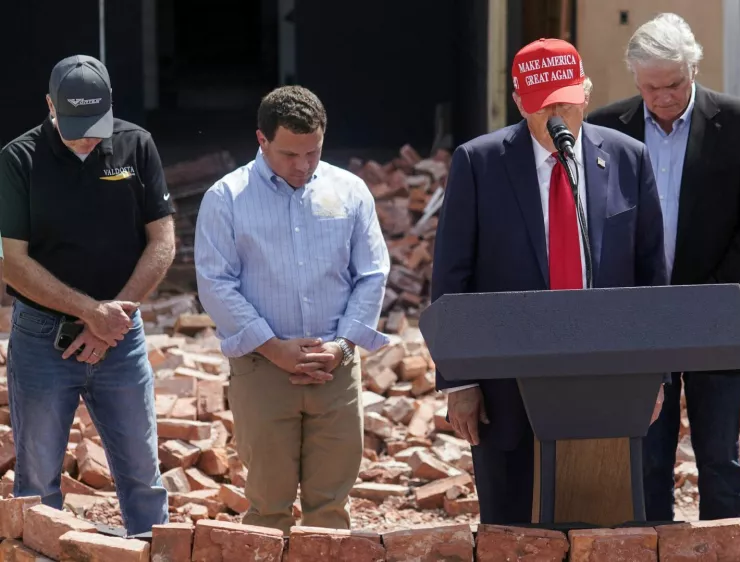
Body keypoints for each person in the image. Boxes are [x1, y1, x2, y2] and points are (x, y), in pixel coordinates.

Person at [432, 37, 667, 525]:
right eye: (543, 108)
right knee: (511, 523)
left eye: (566, 103)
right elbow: (452, 277)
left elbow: (651, 274)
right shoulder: (479, 163)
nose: (556, 118)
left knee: (604, 520)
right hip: (506, 380)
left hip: (606, 376)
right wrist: (460, 379)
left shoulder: (628, 158)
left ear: (586, 91)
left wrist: (656, 373)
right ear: (519, 103)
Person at [587, 13, 740, 522]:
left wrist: (703, 301)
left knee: (719, 458)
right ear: (635, 79)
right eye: (650, 87)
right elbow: (596, 227)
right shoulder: (606, 127)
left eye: (673, 84)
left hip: (716, 314)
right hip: (639, 320)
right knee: (646, 457)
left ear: (693, 70)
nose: (663, 97)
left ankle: (722, 545)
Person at [194, 85, 390, 534]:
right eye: (289, 154)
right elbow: (215, 284)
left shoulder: (351, 192)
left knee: (331, 511)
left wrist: (342, 346)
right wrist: (272, 347)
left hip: (335, 370)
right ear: (261, 140)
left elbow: (372, 274)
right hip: (262, 371)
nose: (303, 166)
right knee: (268, 509)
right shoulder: (226, 199)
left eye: (313, 152)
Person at [0, 54, 174, 535]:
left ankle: (148, 545)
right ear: (49, 106)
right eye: (72, 123)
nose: (84, 136)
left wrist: (112, 320)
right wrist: (90, 313)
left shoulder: (136, 145)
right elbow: (11, 262)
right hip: (42, 341)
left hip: (122, 336)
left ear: (111, 104)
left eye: (94, 124)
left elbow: (163, 241)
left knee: (143, 475)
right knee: (36, 481)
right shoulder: (18, 160)